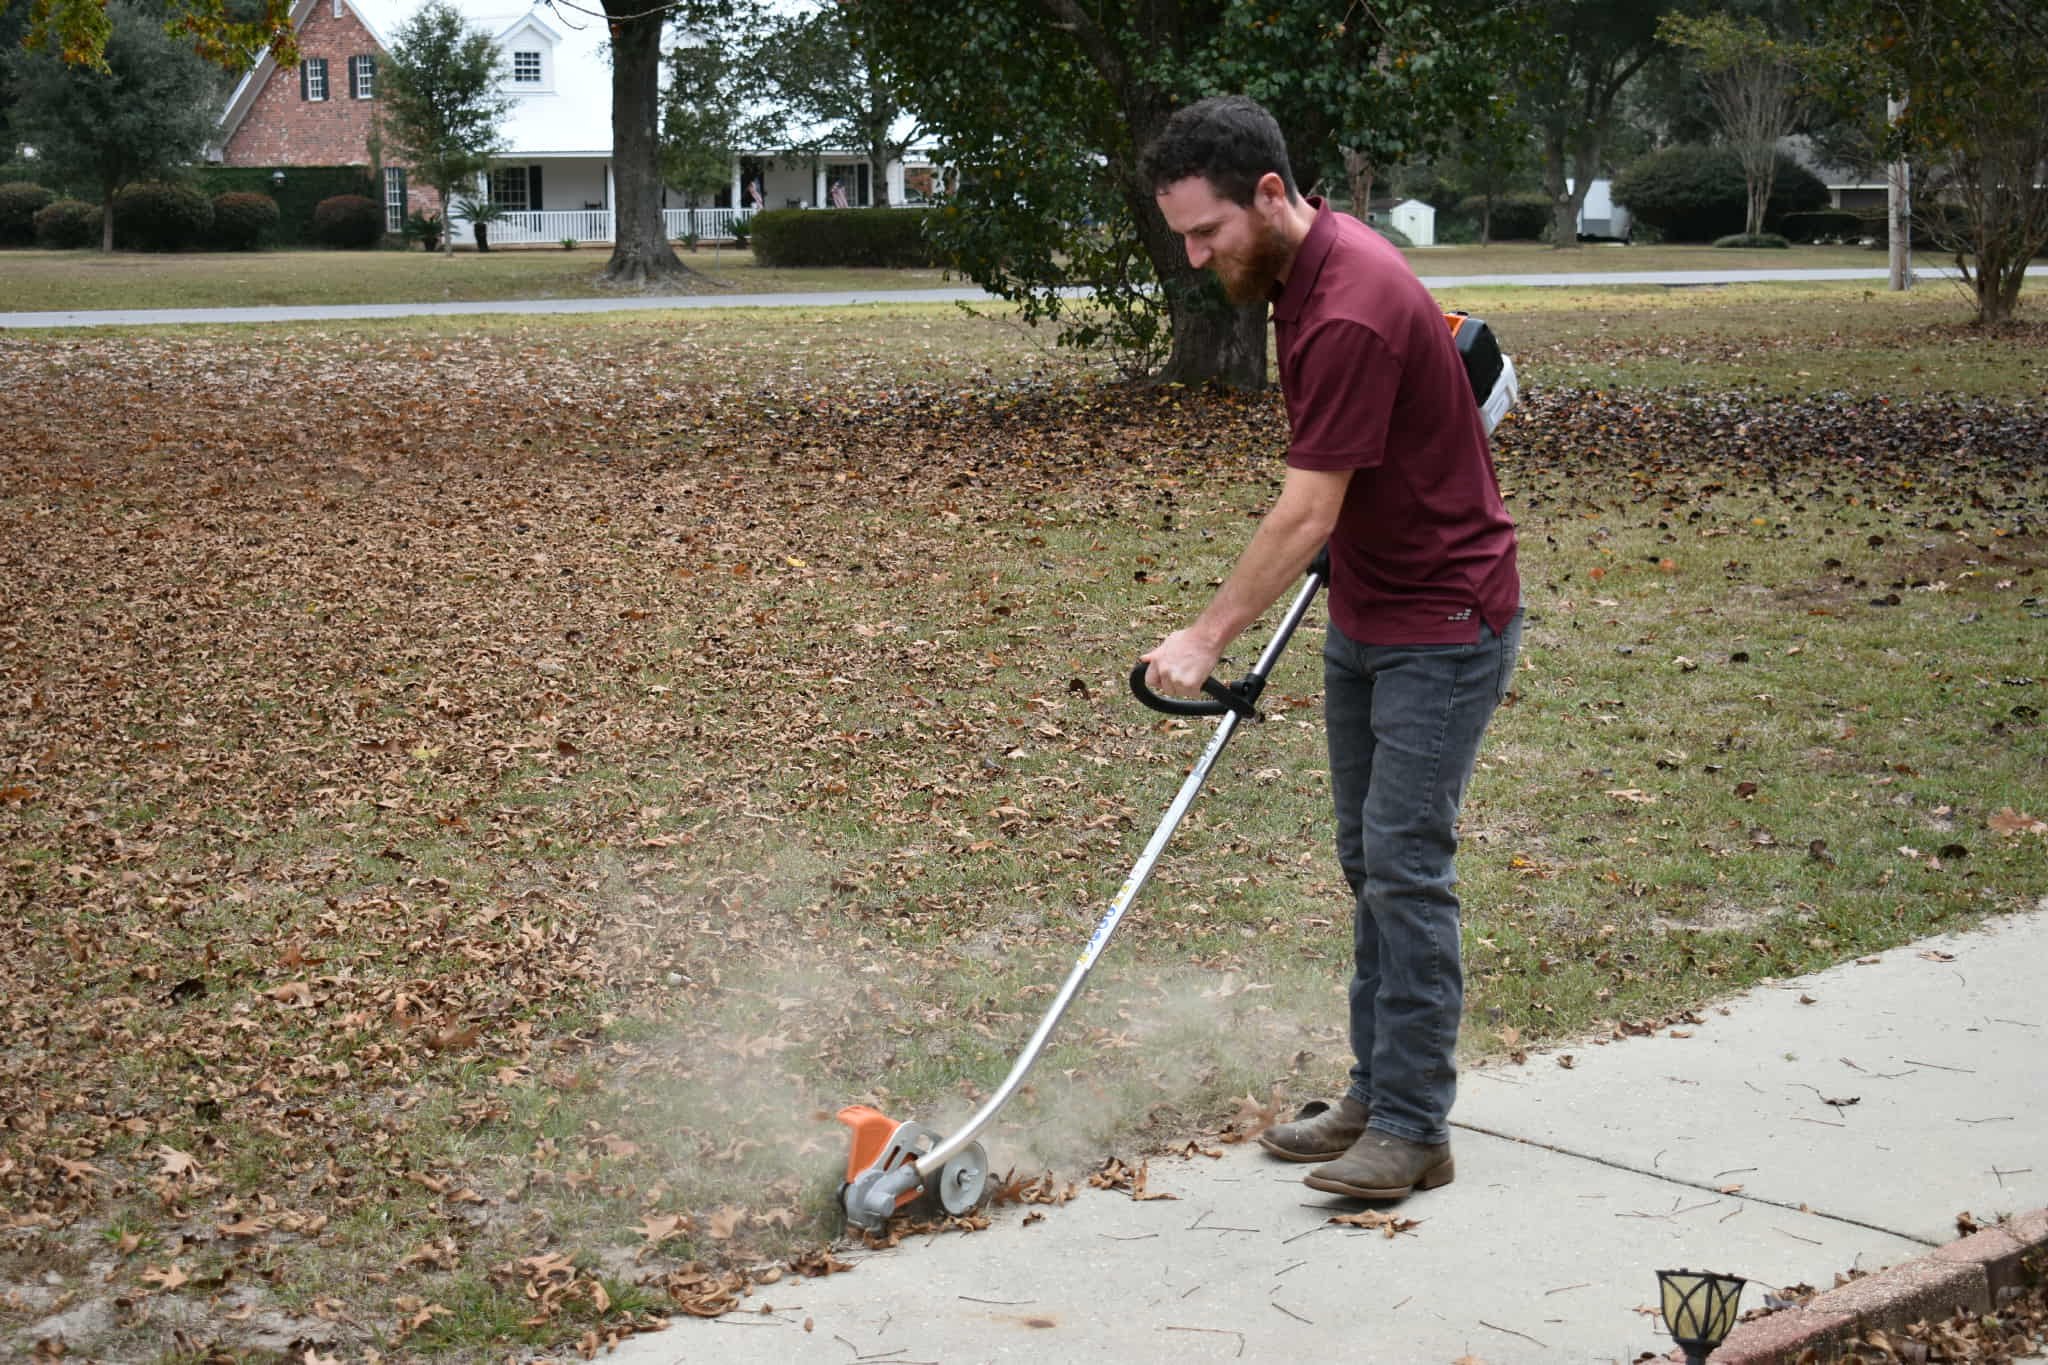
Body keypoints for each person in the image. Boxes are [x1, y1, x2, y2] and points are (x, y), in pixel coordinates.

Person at [1138, 95, 1522, 1202]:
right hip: (1368, 607)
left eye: (1206, 233)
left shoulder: (1346, 301)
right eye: (1184, 240)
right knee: (1370, 864)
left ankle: (1413, 1126)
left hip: (1442, 624)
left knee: (1405, 869)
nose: (1199, 257)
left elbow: (1303, 510)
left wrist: (1206, 634)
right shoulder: (1304, 276)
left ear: (1270, 195)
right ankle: (1375, 1093)